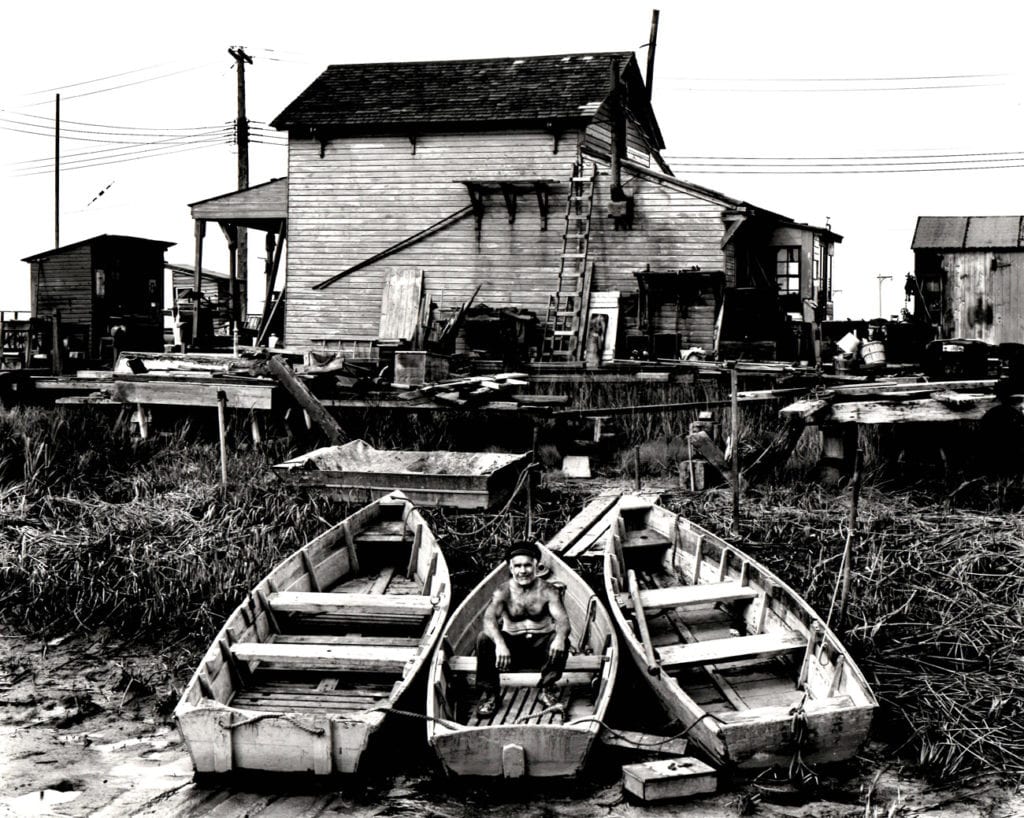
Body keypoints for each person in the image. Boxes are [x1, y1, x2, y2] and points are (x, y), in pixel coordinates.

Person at [474, 541, 571, 717]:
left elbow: (563, 621)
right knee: (483, 638)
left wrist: (560, 638)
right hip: (512, 652)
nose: (522, 571)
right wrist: (500, 644)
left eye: (527, 565)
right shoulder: (502, 592)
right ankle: (490, 694)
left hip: (541, 652)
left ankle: (547, 688)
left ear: (537, 566)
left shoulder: (549, 591)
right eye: (517, 566)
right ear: (510, 568)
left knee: (561, 638)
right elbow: (489, 620)